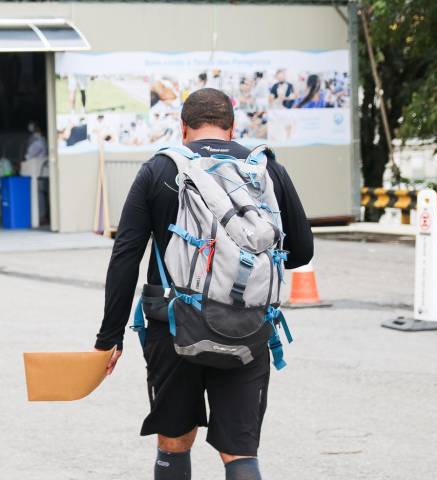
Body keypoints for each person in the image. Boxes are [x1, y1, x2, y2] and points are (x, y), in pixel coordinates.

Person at [93, 88, 313, 480]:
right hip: (248, 325)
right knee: (240, 451)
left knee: (174, 442)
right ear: (233, 128)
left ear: (182, 128)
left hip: (173, 327)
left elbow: (125, 256)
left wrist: (110, 338)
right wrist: (243, 275)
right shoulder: (266, 170)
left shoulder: (159, 171)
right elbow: (301, 251)